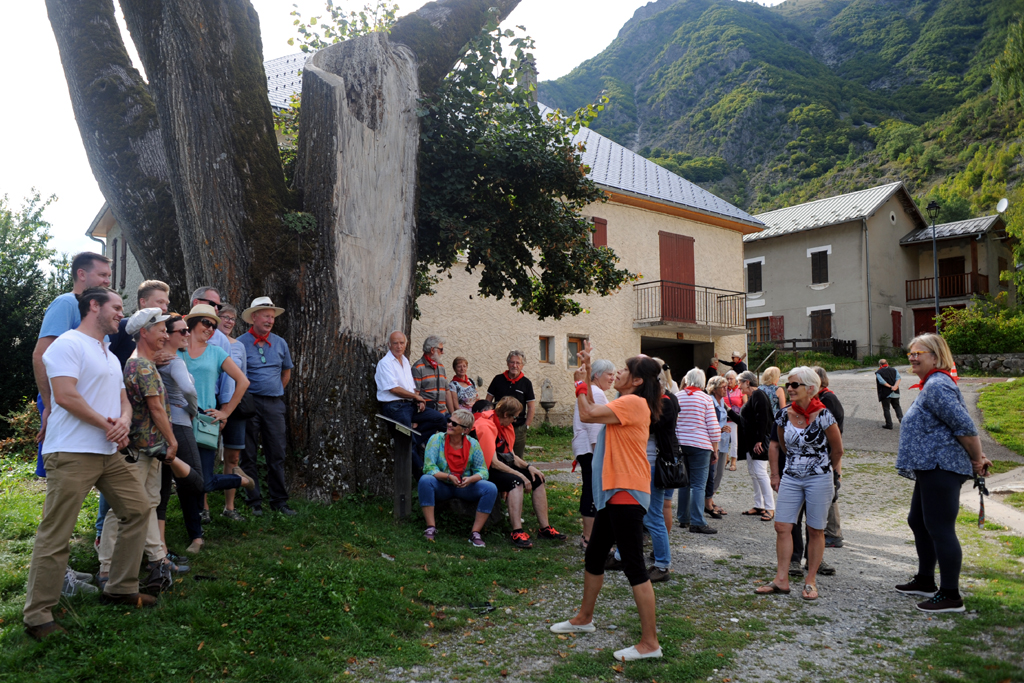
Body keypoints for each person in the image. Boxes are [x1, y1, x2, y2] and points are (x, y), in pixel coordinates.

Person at [24, 287, 154, 641]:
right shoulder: (67, 344)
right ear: (93, 306)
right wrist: (108, 425)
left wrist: (124, 420)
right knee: (57, 533)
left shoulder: (109, 354)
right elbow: (65, 396)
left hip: (107, 452)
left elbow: (123, 398)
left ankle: (120, 587)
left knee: (138, 510)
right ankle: (37, 616)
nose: (120, 313)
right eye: (115, 307)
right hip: (71, 451)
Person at [551, 345, 663, 662]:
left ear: (637, 381)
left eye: (625, 370)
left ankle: (650, 643)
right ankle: (584, 619)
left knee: (634, 566)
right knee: (595, 556)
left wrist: (578, 383)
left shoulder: (632, 402)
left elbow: (587, 413)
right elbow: (591, 406)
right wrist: (586, 373)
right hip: (615, 490)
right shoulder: (630, 401)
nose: (619, 374)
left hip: (626, 490)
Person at [98, 308, 210, 589]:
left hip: (150, 449)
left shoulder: (144, 362)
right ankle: (106, 568)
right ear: (144, 333)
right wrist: (173, 441)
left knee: (148, 504)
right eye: (161, 330)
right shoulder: (142, 366)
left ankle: (157, 559)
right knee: (121, 509)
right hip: (140, 451)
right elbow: (156, 408)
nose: (165, 335)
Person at [29, 252, 113, 592]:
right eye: (103, 275)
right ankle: (56, 578)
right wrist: (49, 406)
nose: (108, 280)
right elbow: (40, 354)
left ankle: (60, 570)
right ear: (82, 274)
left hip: (78, 410)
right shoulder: (67, 303)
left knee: (69, 496)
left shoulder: (94, 314)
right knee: (60, 497)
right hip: (63, 407)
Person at [895, 334, 991, 613]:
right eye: (910, 353)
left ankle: (951, 595)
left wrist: (977, 460)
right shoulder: (932, 385)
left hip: (941, 466)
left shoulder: (938, 385)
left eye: (919, 353)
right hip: (929, 466)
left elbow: (965, 426)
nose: (912, 357)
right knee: (918, 520)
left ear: (936, 357)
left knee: (939, 527)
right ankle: (926, 580)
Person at [757, 366, 843, 601]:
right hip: (792, 477)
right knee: (782, 526)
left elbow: (838, 449)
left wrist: (829, 471)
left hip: (819, 478)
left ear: (811, 388)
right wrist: (776, 474)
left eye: (795, 385)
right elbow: (778, 445)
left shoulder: (824, 414)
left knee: (815, 529)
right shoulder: (784, 413)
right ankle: (781, 580)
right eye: (788, 384)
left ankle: (810, 580)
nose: (789, 389)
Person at [179, 304, 251, 527]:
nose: (211, 328)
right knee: (183, 477)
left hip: (205, 421)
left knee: (206, 480)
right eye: (206, 323)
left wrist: (226, 411)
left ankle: (240, 480)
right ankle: (195, 522)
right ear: (191, 323)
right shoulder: (176, 350)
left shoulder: (217, 352)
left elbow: (243, 381)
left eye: (214, 325)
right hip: (179, 419)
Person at [471, 395, 566, 547]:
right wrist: (520, 474)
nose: (515, 421)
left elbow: (511, 455)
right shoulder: (485, 425)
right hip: (484, 470)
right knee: (516, 481)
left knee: (537, 478)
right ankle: (517, 531)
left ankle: (544, 528)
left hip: (500, 465)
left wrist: (529, 467)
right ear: (506, 415)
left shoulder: (505, 424)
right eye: (514, 417)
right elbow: (493, 462)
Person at [239, 297, 296, 516]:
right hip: (249, 404)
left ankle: (279, 501)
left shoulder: (280, 343)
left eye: (272, 317)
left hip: (274, 404)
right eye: (266, 316)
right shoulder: (240, 343)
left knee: (277, 452)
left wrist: (275, 391)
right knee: (249, 454)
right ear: (254, 317)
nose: (270, 320)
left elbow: (286, 372)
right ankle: (253, 501)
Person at [158, 314, 208, 555]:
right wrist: (193, 410)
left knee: (163, 491)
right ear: (166, 335)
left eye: (188, 330)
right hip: (179, 425)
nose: (188, 334)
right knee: (196, 483)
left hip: (160, 428)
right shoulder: (174, 362)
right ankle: (195, 537)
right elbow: (188, 389)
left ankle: (161, 547)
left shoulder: (156, 360)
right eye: (182, 331)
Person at [418, 409, 498, 548]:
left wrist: (471, 479)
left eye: (454, 424)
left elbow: (483, 471)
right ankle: (430, 526)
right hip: (442, 485)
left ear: (465, 430)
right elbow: (429, 467)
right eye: (449, 420)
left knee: (490, 488)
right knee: (425, 480)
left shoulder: (473, 444)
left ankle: (475, 533)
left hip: (464, 486)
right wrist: (448, 477)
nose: (449, 424)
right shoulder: (436, 439)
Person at [374, 331, 445, 472]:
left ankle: (416, 441)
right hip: (394, 406)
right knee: (407, 442)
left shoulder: (405, 361)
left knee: (439, 419)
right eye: (395, 343)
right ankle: (422, 476)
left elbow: (410, 387)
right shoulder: (385, 363)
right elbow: (393, 389)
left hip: (408, 405)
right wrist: (416, 397)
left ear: (405, 344)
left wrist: (418, 400)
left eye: (401, 343)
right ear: (389, 345)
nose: (399, 346)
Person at [643, 362, 681, 583]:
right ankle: (622, 555)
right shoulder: (662, 400)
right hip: (653, 462)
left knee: (654, 514)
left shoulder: (665, 402)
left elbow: (647, 427)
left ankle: (662, 563)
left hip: (656, 463)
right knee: (644, 512)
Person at [572, 360, 614, 550]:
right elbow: (595, 426)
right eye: (609, 374)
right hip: (591, 449)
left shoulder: (595, 391)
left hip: (586, 448)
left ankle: (590, 535)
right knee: (591, 490)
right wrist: (600, 454)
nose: (612, 378)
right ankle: (588, 537)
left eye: (614, 374)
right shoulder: (596, 393)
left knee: (591, 489)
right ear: (596, 375)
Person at [675, 368, 721, 534]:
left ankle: (683, 518)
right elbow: (713, 427)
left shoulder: (677, 396)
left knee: (683, 483)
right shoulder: (705, 399)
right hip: (700, 445)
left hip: (681, 444)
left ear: (687, 379)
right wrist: (715, 449)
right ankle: (697, 521)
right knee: (698, 485)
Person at [217, 303, 250, 521]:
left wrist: (229, 409)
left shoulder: (239, 346)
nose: (229, 321)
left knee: (233, 457)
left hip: (233, 408)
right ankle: (203, 508)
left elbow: (243, 379)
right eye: (224, 317)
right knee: (204, 457)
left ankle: (229, 507)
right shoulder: (203, 343)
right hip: (210, 406)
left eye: (232, 318)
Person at [735, 370, 775, 521]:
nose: (739, 387)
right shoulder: (754, 396)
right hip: (751, 442)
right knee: (754, 473)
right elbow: (743, 420)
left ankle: (770, 507)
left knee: (760, 473)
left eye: (740, 383)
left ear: (747, 382)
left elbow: (763, 418)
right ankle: (759, 505)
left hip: (759, 442)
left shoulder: (758, 394)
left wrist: (759, 440)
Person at [107, 280, 173, 368]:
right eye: (160, 302)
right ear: (143, 302)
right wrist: (148, 359)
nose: (164, 308)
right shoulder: (122, 326)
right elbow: (101, 359)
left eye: (166, 304)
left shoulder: (165, 332)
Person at [486, 351, 536, 461]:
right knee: (496, 456)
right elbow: (488, 401)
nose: (515, 365)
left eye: (518, 363)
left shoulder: (526, 383)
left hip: (518, 428)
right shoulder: (498, 379)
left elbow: (531, 406)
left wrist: (526, 425)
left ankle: (517, 477)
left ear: (522, 366)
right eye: (512, 362)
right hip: (497, 426)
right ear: (508, 363)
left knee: (517, 458)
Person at [704, 376, 731, 519]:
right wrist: (720, 429)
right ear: (714, 389)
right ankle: (708, 502)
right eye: (722, 386)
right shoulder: (711, 402)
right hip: (713, 443)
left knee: (719, 473)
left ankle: (710, 499)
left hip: (723, 442)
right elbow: (708, 425)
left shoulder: (722, 402)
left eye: (726, 386)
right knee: (712, 474)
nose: (726, 389)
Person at [413, 335, 449, 414]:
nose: (443, 352)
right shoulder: (418, 367)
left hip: (443, 412)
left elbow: (446, 391)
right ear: (432, 350)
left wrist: (453, 413)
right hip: (428, 412)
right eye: (441, 349)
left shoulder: (441, 366)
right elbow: (415, 393)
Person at [724, 370, 745, 471]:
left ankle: (733, 461)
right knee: (724, 439)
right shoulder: (724, 390)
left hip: (735, 418)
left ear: (735, 380)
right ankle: (725, 458)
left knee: (734, 440)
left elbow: (745, 404)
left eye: (731, 379)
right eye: (727, 379)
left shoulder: (740, 390)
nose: (729, 381)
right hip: (725, 418)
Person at [876, 358, 904, 430]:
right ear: (887, 363)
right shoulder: (894, 370)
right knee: (897, 406)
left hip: (885, 393)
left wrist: (890, 386)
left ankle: (889, 424)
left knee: (886, 409)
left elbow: (882, 382)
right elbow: (898, 378)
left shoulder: (879, 372)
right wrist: (895, 386)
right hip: (895, 392)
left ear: (880, 365)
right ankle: (902, 420)